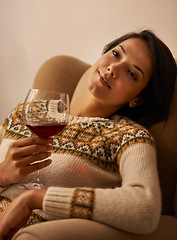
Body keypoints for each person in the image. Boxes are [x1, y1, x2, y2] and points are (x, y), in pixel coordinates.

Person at [0, 30, 176, 239]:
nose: (113, 68)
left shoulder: (128, 136)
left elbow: (144, 207)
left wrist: (35, 199)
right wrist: (2, 174)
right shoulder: (28, 112)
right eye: (117, 54)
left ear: (137, 99)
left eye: (132, 73)